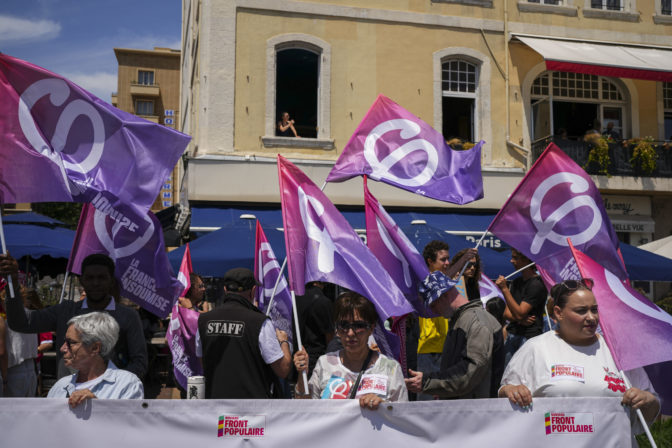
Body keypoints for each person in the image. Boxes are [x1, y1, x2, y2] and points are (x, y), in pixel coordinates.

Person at [499, 279, 659, 438]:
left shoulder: (617, 350)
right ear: (558, 313)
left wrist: (647, 400)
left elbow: (649, 409)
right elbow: (505, 399)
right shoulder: (536, 348)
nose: (591, 317)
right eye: (581, 310)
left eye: (594, 309)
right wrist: (511, 390)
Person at [0, 253, 147, 380]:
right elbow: (21, 323)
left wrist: (112, 386)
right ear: (81, 281)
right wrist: (12, 282)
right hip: (68, 399)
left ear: (111, 281)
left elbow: (139, 362)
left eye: (101, 278)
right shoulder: (65, 311)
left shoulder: (128, 316)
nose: (95, 283)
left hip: (109, 402)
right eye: (90, 278)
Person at [405, 251, 504, 400]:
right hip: (467, 409)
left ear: (443, 295)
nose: (432, 311)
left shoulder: (476, 322)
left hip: (479, 414)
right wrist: (444, 390)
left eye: (432, 305)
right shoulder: (462, 320)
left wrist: (429, 382)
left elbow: (469, 371)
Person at [293, 292, 407, 408]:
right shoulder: (325, 363)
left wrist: (384, 407)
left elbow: (403, 417)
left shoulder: (390, 368)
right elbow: (306, 410)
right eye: (344, 325)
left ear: (371, 328)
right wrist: (302, 375)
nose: (350, 333)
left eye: (358, 326)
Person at [196, 267, 291, 398]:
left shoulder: (203, 320)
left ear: (225, 290)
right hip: (252, 410)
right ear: (253, 291)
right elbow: (283, 369)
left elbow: (203, 361)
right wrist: (283, 341)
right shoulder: (259, 322)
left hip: (216, 406)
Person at [48, 312, 143, 407]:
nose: (62, 348)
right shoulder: (60, 386)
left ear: (95, 348)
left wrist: (97, 407)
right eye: (65, 342)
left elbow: (129, 421)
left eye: (71, 343)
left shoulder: (126, 384)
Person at [495, 249, 547, 366]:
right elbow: (506, 314)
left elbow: (519, 313)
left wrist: (504, 289)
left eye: (515, 258)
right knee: (507, 375)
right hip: (512, 334)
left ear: (526, 260)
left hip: (528, 337)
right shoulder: (517, 282)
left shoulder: (536, 284)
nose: (511, 261)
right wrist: (520, 320)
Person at [416, 241, 452, 397]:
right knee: (425, 399)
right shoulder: (424, 282)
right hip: (427, 349)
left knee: (445, 399)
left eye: (448, 259)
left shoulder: (449, 281)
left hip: (447, 347)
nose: (447, 263)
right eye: (443, 259)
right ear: (430, 261)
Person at [293, 281, 334, 378]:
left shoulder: (294, 297)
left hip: (296, 356)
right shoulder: (323, 301)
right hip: (316, 358)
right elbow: (330, 335)